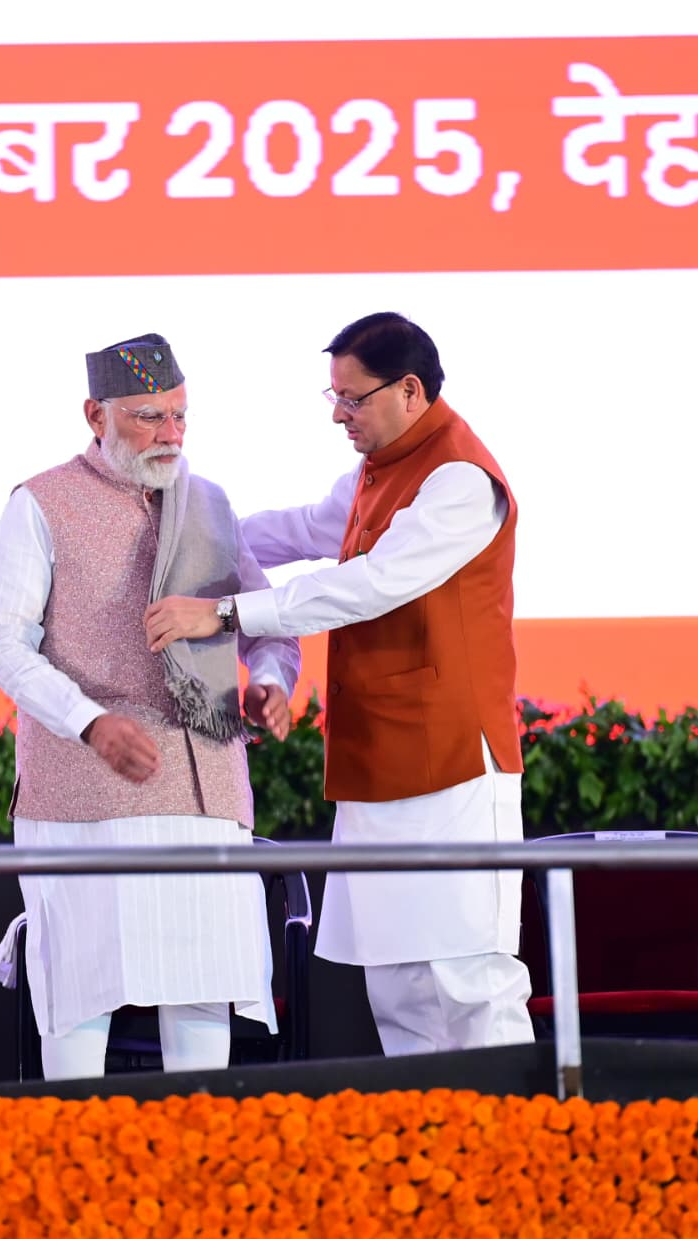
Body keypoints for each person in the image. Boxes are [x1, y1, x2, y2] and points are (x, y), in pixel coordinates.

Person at [144, 310, 534, 1057]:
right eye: (334, 398)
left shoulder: (458, 479)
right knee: (397, 982)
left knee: (467, 977)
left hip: (453, 759)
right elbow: (299, 529)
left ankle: (511, 1126)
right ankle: (426, 1128)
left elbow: (368, 586)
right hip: (380, 755)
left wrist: (223, 612)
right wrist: (183, 534)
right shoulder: (376, 470)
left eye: (353, 399)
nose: (338, 415)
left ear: (410, 390)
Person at [0, 332, 300, 1080]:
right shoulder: (41, 502)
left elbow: (267, 623)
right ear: (95, 415)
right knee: (81, 996)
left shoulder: (209, 504)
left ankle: (199, 1151)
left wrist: (271, 684)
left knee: (205, 991)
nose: (171, 434)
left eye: (180, 416)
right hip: (86, 791)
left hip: (207, 791)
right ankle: (77, 1147)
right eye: (149, 417)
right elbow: (6, 647)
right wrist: (89, 722)